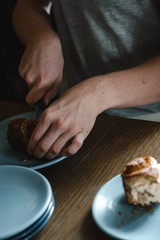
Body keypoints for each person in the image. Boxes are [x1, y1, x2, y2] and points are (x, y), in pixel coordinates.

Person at [12, 0, 160, 159]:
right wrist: (40, 34)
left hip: (146, 123)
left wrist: (98, 94)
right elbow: (28, 4)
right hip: (66, 118)